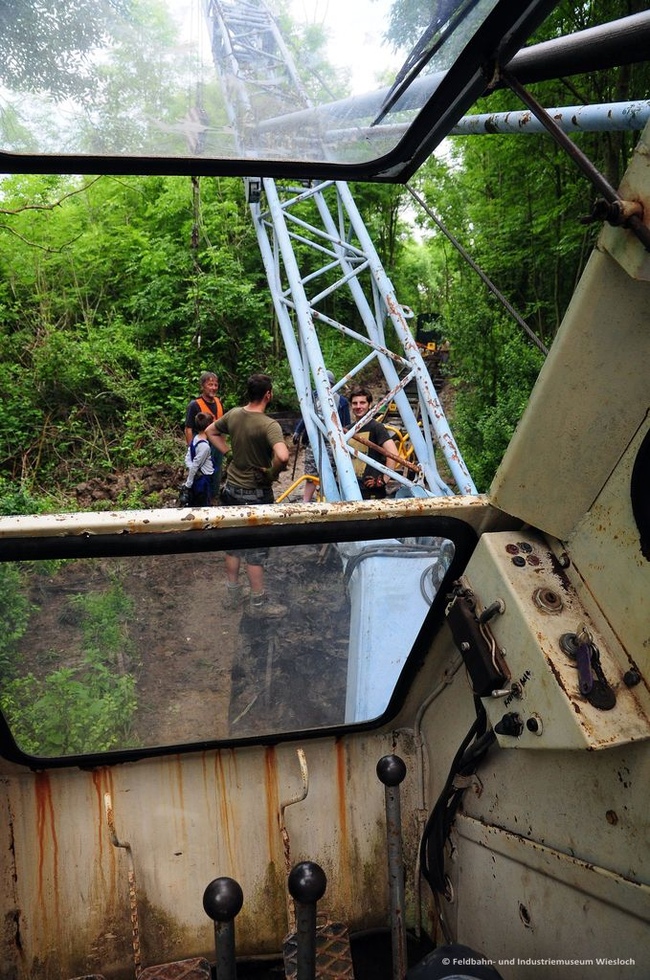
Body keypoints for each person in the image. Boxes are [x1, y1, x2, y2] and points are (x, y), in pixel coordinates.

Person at [205, 373, 289, 618]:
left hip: (231, 490)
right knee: (255, 552)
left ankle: (232, 595)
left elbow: (210, 431)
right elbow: (283, 456)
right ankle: (258, 605)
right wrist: (272, 473)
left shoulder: (233, 414)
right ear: (268, 395)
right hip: (255, 495)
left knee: (232, 546)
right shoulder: (269, 425)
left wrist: (228, 452)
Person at [293, 370, 351, 502]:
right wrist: (298, 431)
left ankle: (329, 497)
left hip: (331, 442)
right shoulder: (313, 397)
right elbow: (306, 417)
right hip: (314, 440)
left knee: (329, 472)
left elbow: (346, 424)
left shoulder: (340, 401)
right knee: (311, 472)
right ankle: (306, 501)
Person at [348, 386, 399, 499]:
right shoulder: (348, 430)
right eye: (355, 403)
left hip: (371, 490)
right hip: (352, 486)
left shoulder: (376, 427)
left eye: (362, 403)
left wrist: (384, 480)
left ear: (369, 405)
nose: (358, 406)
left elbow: (393, 454)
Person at [185, 371, 224, 498]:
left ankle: (214, 497)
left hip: (217, 445)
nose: (213, 388)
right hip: (203, 445)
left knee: (216, 472)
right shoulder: (194, 405)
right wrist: (192, 450)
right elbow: (188, 429)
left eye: (216, 385)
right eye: (210, 384)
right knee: (201, 475)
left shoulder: (218, 402)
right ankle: (200, 498)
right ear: (202, 386)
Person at [180, 412, 214, 507]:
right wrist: (188, 484)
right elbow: (196, 464)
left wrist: (191, 469)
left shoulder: (195, 439)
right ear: (209, 426)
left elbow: (188, 457)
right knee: (202, 505)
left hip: (196, 477)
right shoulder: (204, 446)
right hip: (203, 479)